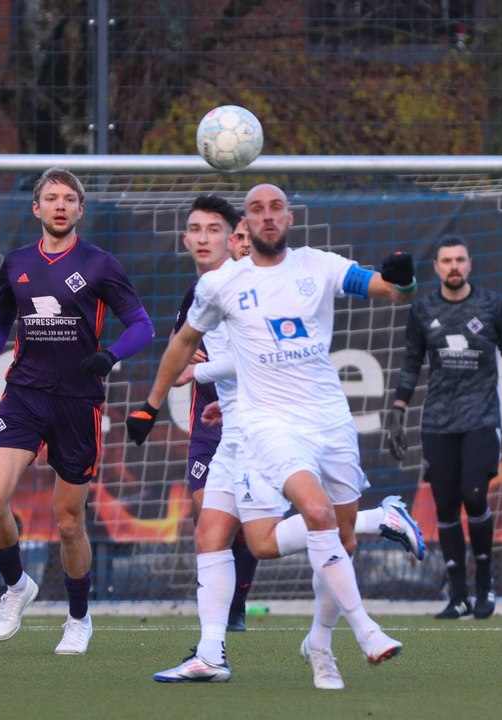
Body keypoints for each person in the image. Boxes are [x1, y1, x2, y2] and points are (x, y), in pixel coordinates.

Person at [127, 183, 421, 689]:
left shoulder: (316, 266)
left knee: (307, 538)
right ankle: (216, 652)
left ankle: (326, 631)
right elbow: (186, 346)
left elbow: (385, 289)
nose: (260, 221)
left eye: (273, 209)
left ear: (288, 218)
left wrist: (404, 282)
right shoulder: (216, 289)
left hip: (320, 422)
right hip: (260, 426)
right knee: (222, 530)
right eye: (252, 212)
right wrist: (150, 405)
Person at [0, 167, 154, 654]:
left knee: (68, 522)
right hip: (23, 394)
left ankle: (79, 617)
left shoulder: (101, 264)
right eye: (51, 197)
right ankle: (17, 586)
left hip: (77, 402)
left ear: (80, 210)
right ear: (36, 208)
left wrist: (110, 356)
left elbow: (143, 327)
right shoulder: (17, 263)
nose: (60, 205)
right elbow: (2, 316)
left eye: (69, 198)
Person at [384, 234, 502, 620]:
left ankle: (485, 585)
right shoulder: (423, 308)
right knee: (446, 507)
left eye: (460, 260)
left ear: (470, 264)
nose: (454, 266)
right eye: (446, 260)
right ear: (436, 267)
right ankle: (458, 596)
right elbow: (411, 362)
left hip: (481, 419)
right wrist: (397, 413)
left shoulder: (490, 305)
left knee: (474, 496)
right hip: (437, 422)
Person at [170, 198, 260, 632]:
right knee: (203, 513)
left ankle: (234, 603)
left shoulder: (257, 289)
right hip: (208, 424)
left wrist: (201, 366)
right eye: (196, 229)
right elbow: (179, 349)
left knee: (250, 524)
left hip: (253, 421)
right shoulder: (197, 292)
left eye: (237, 235)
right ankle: (215, 625)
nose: (238, 243)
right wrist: (188, 358)